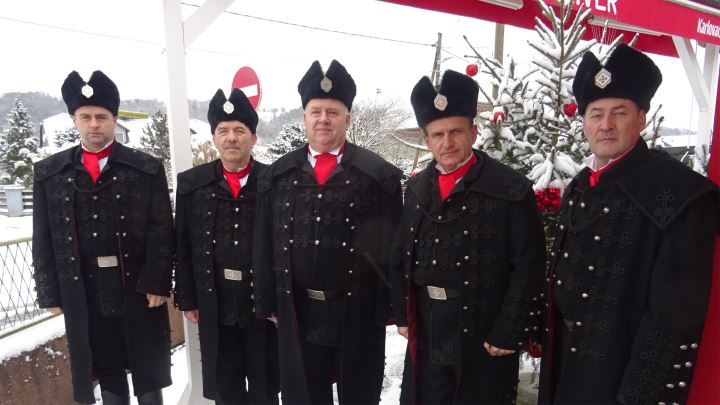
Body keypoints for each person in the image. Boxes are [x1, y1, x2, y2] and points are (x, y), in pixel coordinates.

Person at [538, 44, 719, 405]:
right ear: (584, 122)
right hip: (564, 361)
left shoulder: (682, 195)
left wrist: (639, 397)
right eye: (596, 114)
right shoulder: (581, 185)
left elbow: (674, 318)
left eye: (619, 113)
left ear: (641, 118)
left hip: (620, 376)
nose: (605, 125)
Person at [388, 69, 546, 404]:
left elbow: (529, 267)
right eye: (437, 134)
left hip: (483, 330)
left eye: (456, 131)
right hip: (427, 325)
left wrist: (509, 330)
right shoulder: (416, 189)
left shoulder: (511, 189)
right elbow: (400, 255)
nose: (447, 142)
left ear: (473, 132)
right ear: (427, 140)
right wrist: (403, 314)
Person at [252, 59, 403, 404]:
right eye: (316, 111)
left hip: (359, 311)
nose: (323, 119)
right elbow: (264, 241)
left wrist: (394, 307)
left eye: (333, 112)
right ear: (304, 117)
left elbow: (395, 248)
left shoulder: (379, 176)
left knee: (359, 396)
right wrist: (265, 300)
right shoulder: (276, 176)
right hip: (298, 310)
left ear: (347, 119)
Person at [32, 70, 173, 405]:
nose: (94, 124)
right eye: (86, 117)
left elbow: (162, 230)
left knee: (146, 366)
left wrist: (157, 282)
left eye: (101, 117)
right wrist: (50, 292)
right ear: (74, 120)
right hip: (84, 289)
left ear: (114, 119)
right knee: (105, 366)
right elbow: (43, 237)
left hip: (138, 287)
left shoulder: (146, 168)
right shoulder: (50, 173)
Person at [174, 88, 279, 404]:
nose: (231, 137)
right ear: (214, 138)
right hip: (214, 303)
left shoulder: (274, 182)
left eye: (239, 130)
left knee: (265, 387)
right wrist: (188, 298)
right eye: (223, 131)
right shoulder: (192, 184)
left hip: (261, 306)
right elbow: (183, 245)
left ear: (253, 138)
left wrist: (278, 301)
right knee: (225, 387)